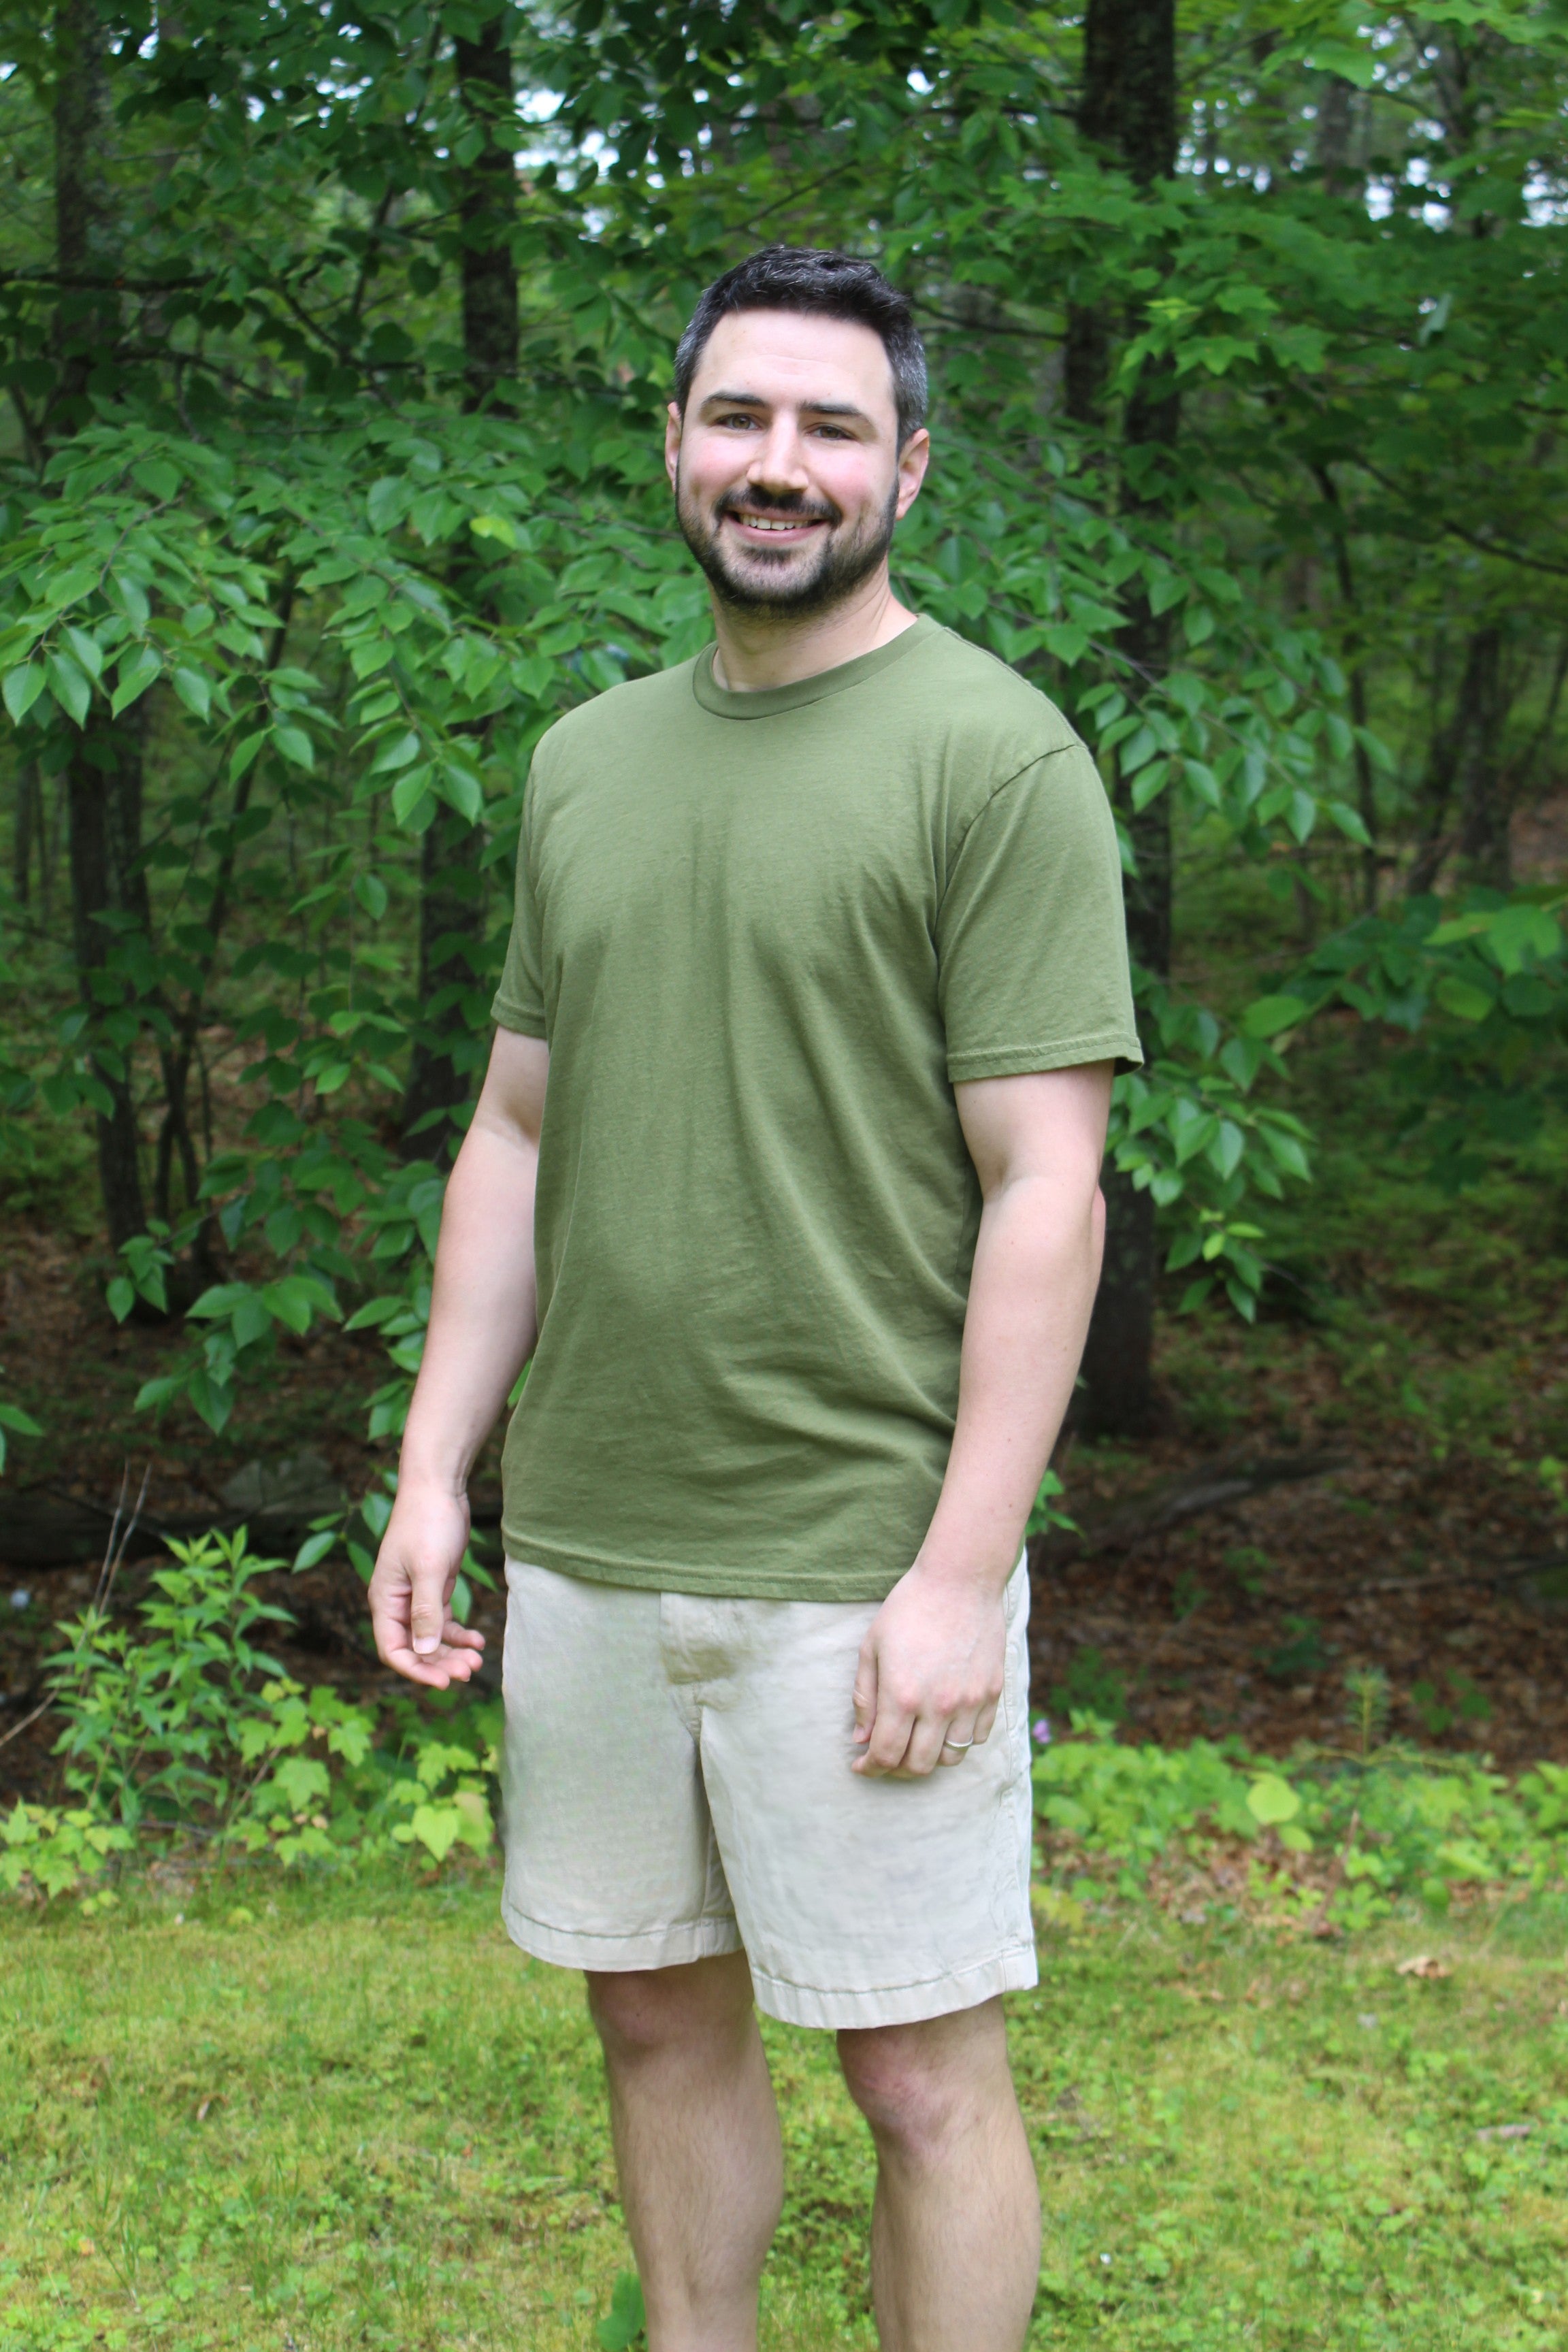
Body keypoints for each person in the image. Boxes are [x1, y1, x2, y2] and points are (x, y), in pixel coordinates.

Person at [369, 244, 1140, 2352]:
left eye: (825, 426)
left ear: (908, 463)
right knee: (649, 2024)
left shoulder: (998, 760)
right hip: (604, 1538)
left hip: (858, 1551)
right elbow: (517, 1134)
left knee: (917, 2072)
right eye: (738, 418)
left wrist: (961, 1573)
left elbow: (1046, 1186)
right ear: (678, 444)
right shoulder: (583, 765)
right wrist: (440, 1467)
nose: (774, 464)